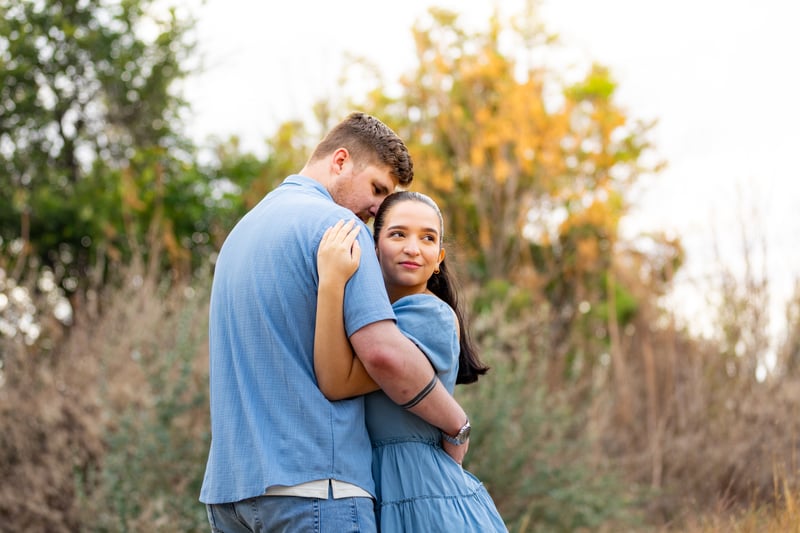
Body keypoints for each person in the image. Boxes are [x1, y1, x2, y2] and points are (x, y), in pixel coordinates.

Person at [199, 112, 472, 533]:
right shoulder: (340, 228)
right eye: (377, 189)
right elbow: (382, 354)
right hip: (316, 488)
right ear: (340, 160)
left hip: (229, 493)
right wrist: (456, 421)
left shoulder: (241, 233)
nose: (376, 210)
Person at [315, 191, 508, 532]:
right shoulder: (376, 321)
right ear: (374, 247)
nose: (413, 248)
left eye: (428, 238)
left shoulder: (428, 314)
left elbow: (336, 381)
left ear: (439, 259)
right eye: (398, 234)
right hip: (382, 486)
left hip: (421, 495)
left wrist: (331, 281)